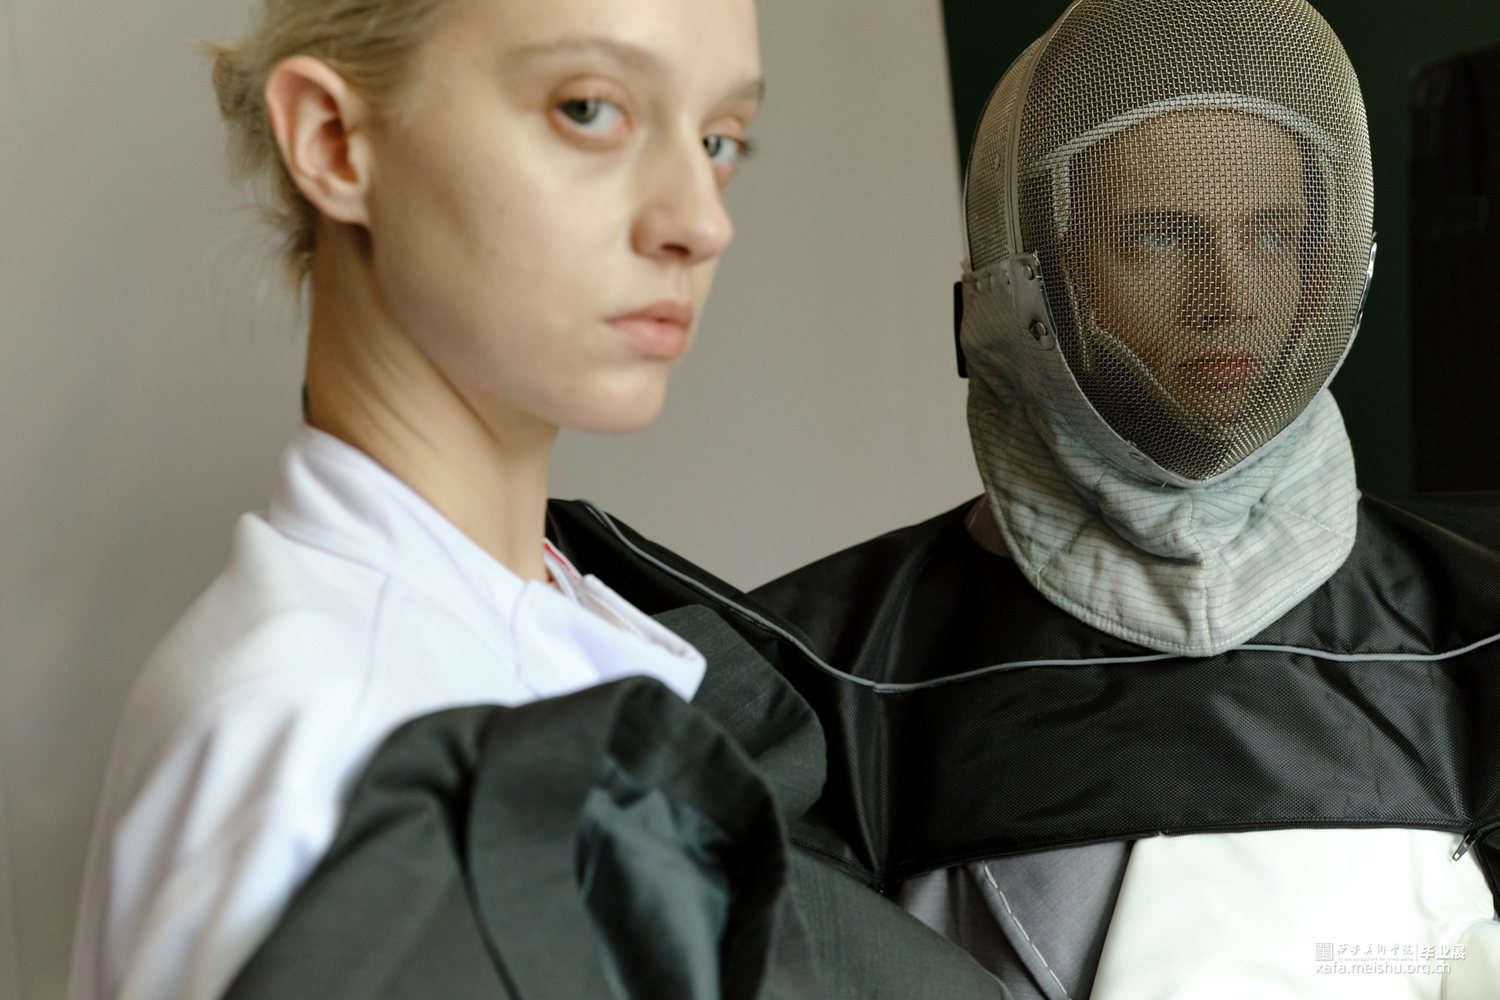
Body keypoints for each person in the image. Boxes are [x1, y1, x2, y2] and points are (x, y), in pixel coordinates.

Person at [750, 0, 1500, 996]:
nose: (1230, 295)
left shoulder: (1474, 620)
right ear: (1035, 278)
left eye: (1274, 235)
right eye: (1157, 236)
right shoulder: (821, 672)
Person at [68, 0, 764, 996]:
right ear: (333, 140)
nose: (701, 221)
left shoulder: (551, 621)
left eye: (719, 138)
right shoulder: (320, 746)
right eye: (588, 109)